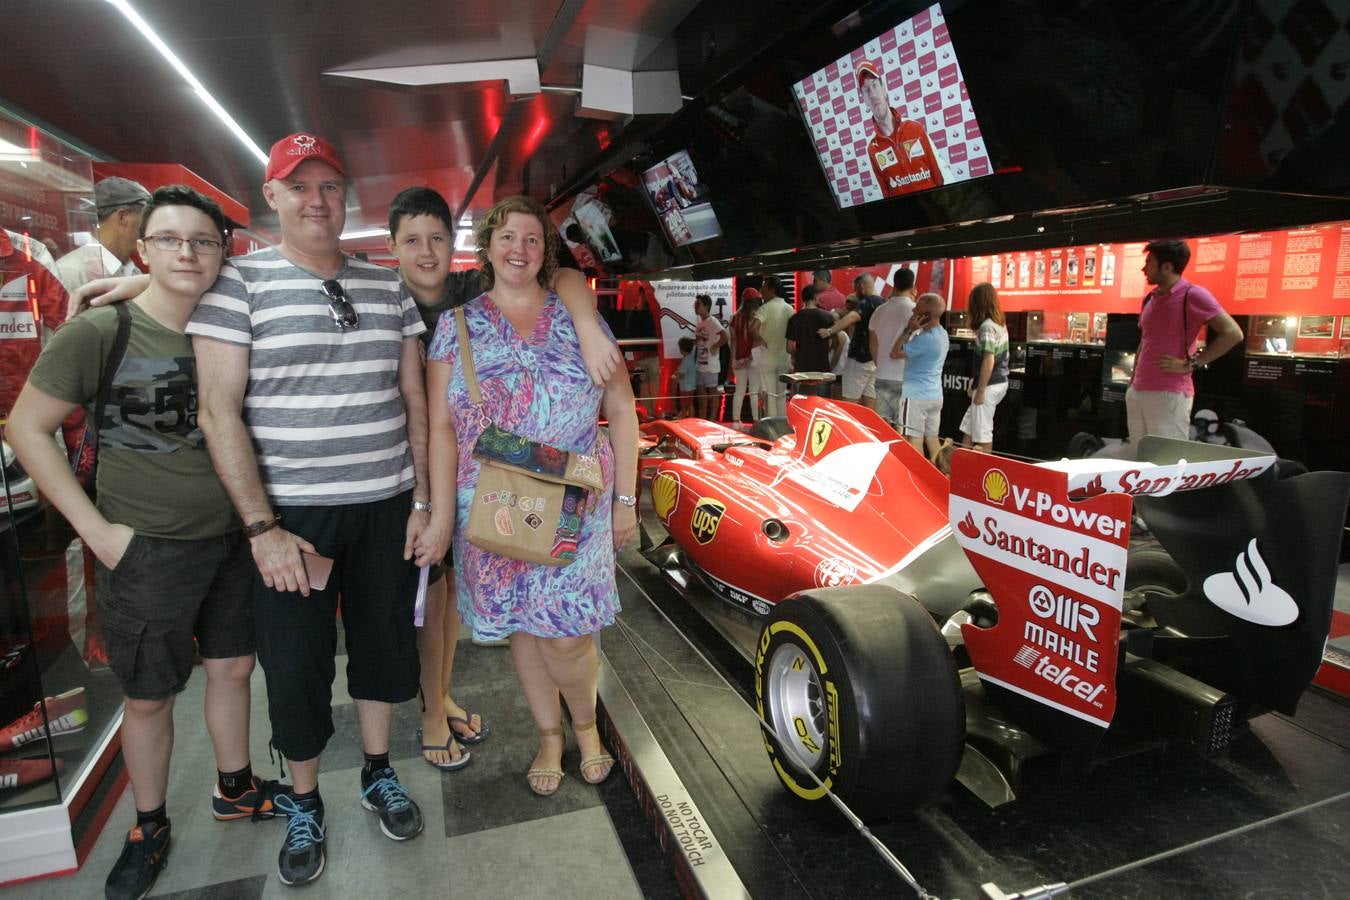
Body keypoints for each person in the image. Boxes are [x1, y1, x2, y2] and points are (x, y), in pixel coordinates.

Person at [8, 187, 289, 900]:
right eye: (169, 240)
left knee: (232, 671)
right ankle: (150, 824)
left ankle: (234, 786)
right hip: (146, 550)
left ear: (224, 252)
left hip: (233, 538)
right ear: (142, 246)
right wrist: (96, 532)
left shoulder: (229, 324)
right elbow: (26, 427)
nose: (187, 253)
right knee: (149, 697)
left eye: (203, 241)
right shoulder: (102, 333)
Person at [187, 134, 431, 886]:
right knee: (293, 666)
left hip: (387, 504)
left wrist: (423, 499)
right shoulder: (238, 286)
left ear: (345, 195)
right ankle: (302, 799)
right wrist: (261, 528)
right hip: (293, 521)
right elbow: (218, 411)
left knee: (385, 648)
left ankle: (378, 771)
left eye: (329, 185)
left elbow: (415, 400)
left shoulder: (386, 285)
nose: (316, 200)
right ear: (273, 197)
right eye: (299, 187)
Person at [385, 186, 621, 768]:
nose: (520, 248)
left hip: (576, 495)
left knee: (566, 632)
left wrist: (625, 503)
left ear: (546, 250)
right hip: (495, 501)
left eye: (533, 238)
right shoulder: (459, 323)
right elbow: (440, 427)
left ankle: (586, 726)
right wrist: (439, 515)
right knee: (522, 622)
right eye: (507, 237)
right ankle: (548, 737)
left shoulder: (574, 310)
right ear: (485, 248)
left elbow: (622, 407)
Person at [1128, 239, 1243, 445]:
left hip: (1168, 392)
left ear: (1167, 266)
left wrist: (1191, 364)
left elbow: (1233, 333)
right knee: (1139, 457)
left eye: (1150, 262)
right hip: (1138, 390)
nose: (1144, 268)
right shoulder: (1150, 298)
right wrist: (1133, 379)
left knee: (1167, 460)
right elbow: (1145, 340)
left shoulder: (1192, 294)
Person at [856, 60, 948, 198]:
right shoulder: (872, 150)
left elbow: (941, 177)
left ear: (884, 89)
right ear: (864, 99)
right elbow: (884, 196)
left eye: (875, 85)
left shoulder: (915, 128)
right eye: (866, 90)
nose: (873, 94)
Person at [54, 177, 152, 294]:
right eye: (146, 219)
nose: (151, 228)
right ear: (122, 217)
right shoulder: (71, 272)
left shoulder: (134, 272)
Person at [891, 292, 950, 457]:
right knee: (932, 439)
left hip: (915, 396)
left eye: (916, 310)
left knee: (913, 440)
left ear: (926, 315)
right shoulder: (942, 334)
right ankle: (941, 476)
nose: (913, 312)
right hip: (935, 395)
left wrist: (908, 329)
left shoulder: (924, 339)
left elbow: (895, 353)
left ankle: (920, 478)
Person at [819, 273, 884, 409]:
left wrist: (830, 330)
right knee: (870, 399)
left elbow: (852, 317)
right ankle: (870, 429)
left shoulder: (867, 302)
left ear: (861, 287)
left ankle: (848, 429)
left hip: (859, 359)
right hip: (875, 360)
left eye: (855, 289)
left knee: (849, 401)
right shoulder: (883, 303)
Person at [959, 282, 1010, 453]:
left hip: (988, 386)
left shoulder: (986, 327)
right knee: (970, 429)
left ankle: (979, 473)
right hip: (996, 382)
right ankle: (961, 468)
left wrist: (980, 390)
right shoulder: (999, 324)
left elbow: (989, 359)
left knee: (982, 435)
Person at [869, 268, 918, 428]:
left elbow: (873, 343)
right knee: (903, 428)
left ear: (894, 285)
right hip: (904, 376)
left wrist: (879, 362)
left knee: (883, 428)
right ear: (913, 286)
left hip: (882, 374)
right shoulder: (915, 311)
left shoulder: (879, 310)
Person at [752, 275, 793, 418]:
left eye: (764, 287)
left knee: (769, 395)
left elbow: (753, 327)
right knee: (781, 395)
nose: (761, 290)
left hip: (767, 359)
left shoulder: (765, 308)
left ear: (772, 290)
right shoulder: (789, 309)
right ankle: (782, 425)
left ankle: (772, 427)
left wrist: (761, 340)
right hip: (784, 358)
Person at [785, 284, 835, 397]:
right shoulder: (827, 316)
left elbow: (788, 348)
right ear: (816, 297)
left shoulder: (794, 319)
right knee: (823, 404)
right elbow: (836, 342)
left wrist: (798, 354)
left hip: (802, 369)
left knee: (804, 403)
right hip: (822, 367)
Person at [727, 287, 763, 422]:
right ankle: (756, 421)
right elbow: (757, 340)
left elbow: (734, 341)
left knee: (739, 390)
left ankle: (736, 421)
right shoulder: (758, 317)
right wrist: (750, 358)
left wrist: (734, 360)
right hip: (754, 359)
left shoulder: (734, 318)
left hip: (738, 359)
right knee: (754, 391)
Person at [693, 293, 725, 420]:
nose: (696, 307)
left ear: (706, 306)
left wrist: (715, 346)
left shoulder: (713, 321)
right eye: (695, 304)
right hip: (700, 363)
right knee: (701, 392)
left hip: (711, 364)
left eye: (698, 304)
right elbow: (699, 341)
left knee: (713, 391)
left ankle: (712, 418)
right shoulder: (700, 323)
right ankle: (703, 417)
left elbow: (725, 336)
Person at [674, 336, 698, 417]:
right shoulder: (690, 358)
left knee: (687, 405)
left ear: (681, 349)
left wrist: (675, 375)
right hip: (689, 386)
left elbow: (681, 375)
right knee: (687, 404)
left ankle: (689, 419)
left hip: (687, 387)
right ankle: (684, 417)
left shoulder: (686, 360)